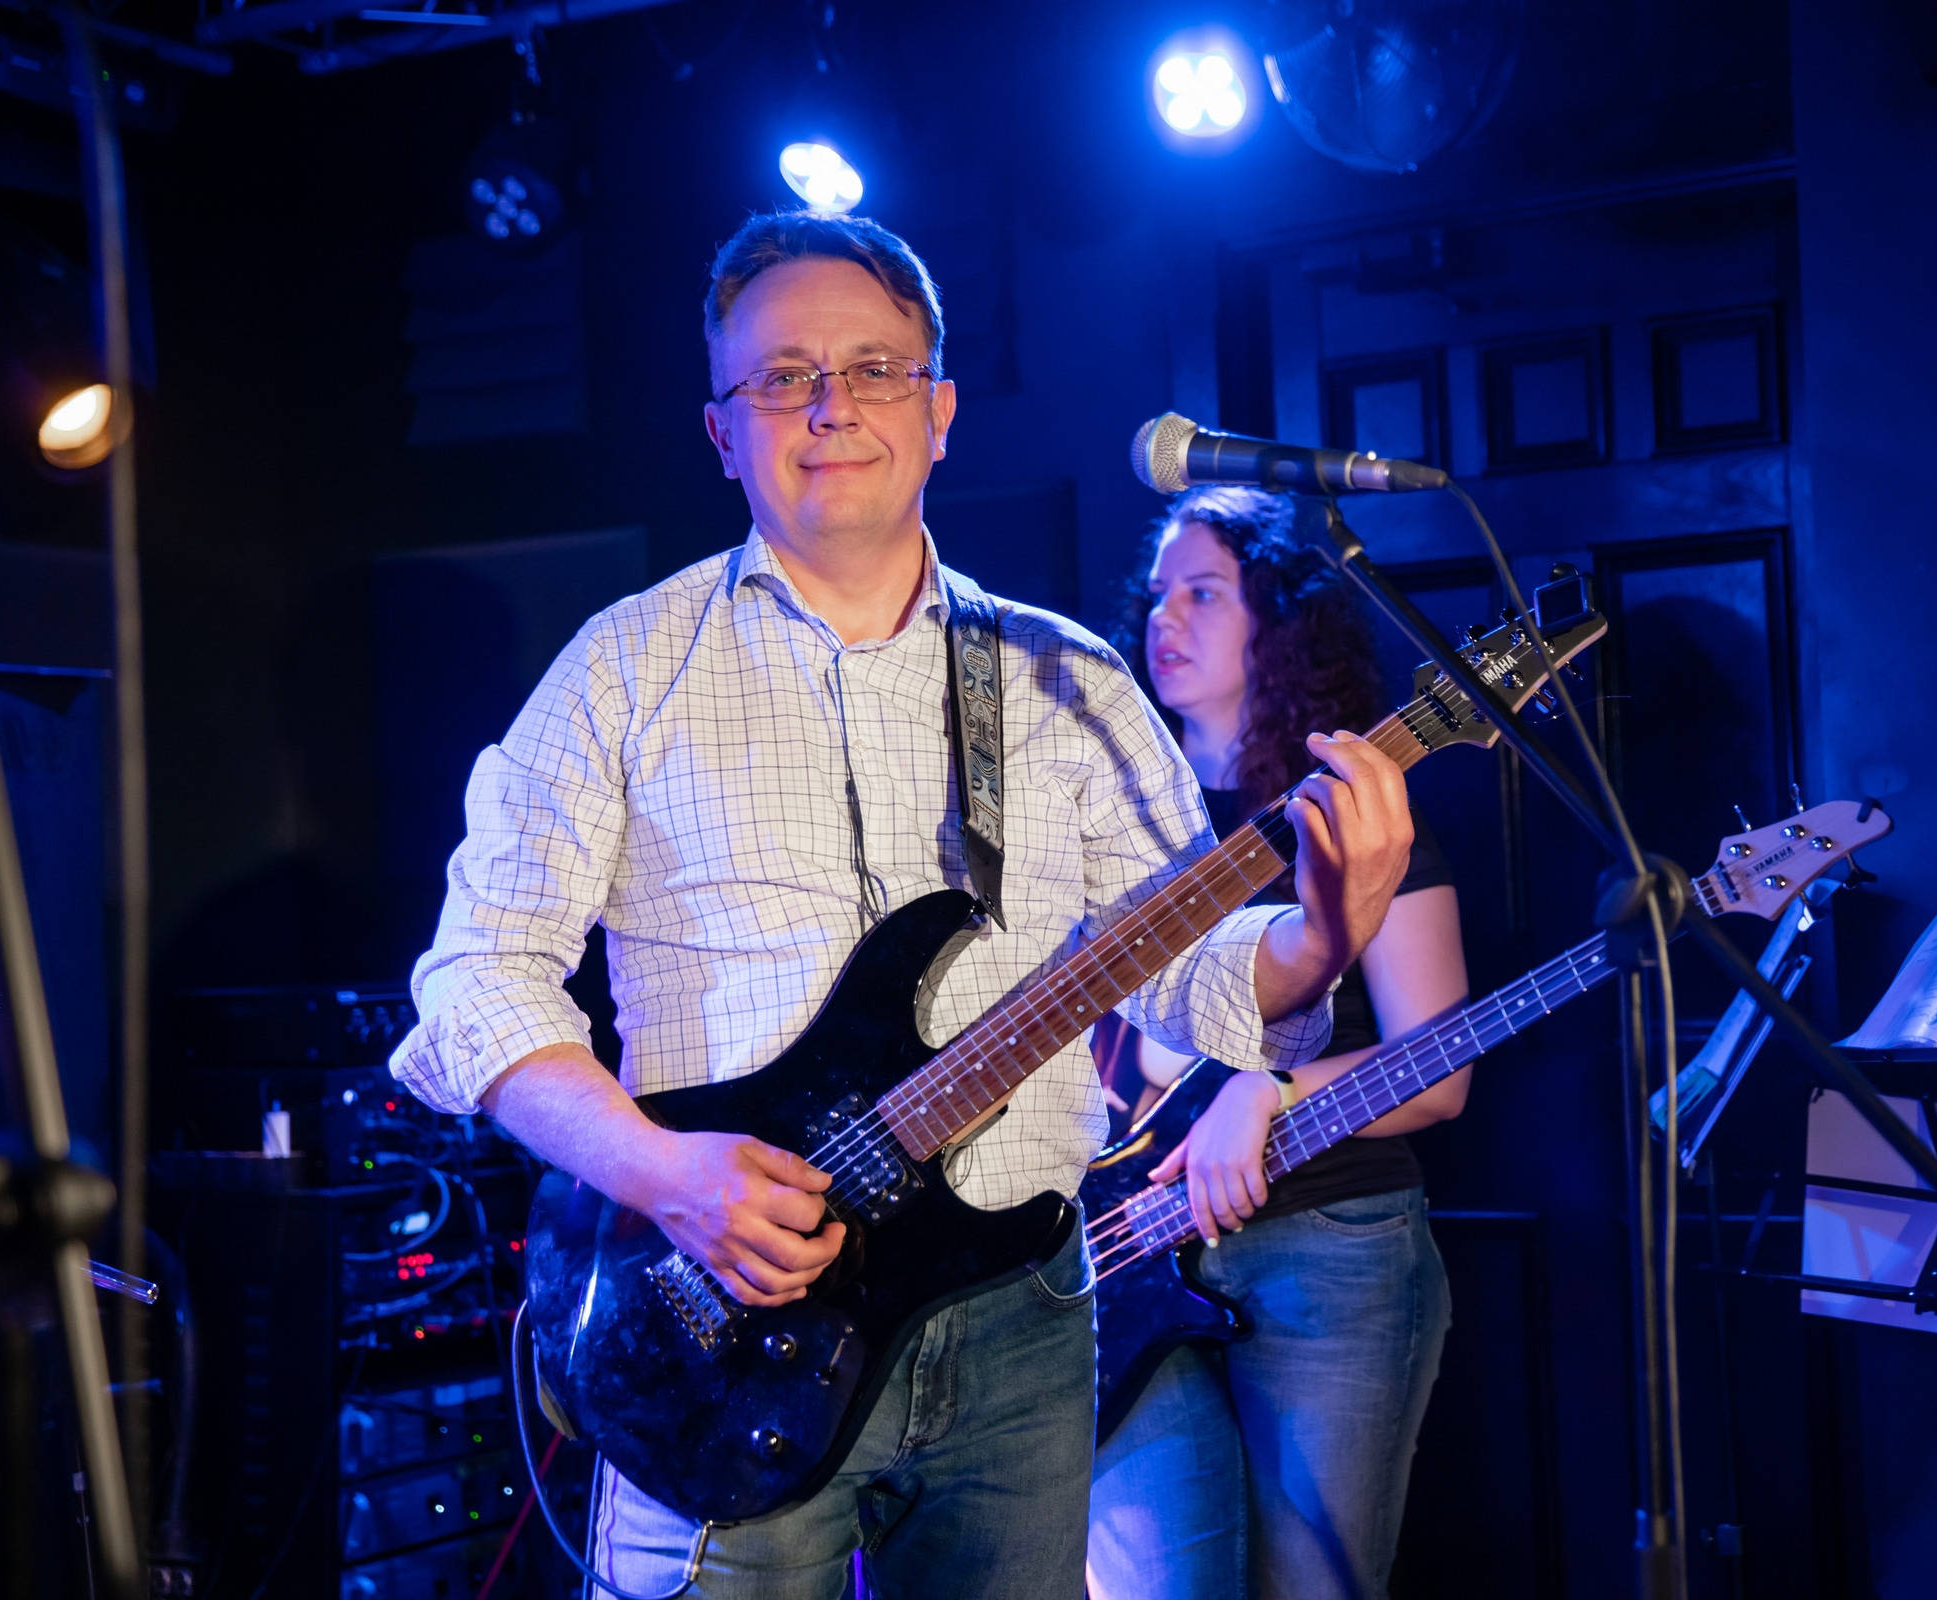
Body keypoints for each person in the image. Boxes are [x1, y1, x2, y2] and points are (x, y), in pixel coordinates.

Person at [388, 212, 1416, 1600]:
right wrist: (659, 1171)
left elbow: (1193, 976)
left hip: (1018, 1315)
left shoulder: (1072, 685)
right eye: (781, 377)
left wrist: (1323, 937)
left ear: (937, 413)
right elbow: (472, 982)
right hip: (714, 1312)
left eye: (875, 369)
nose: (829, 406)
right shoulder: (623, 670)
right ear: (721, 430)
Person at [1086, 487, 1473, 1600]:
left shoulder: (1350, 819)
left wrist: (1270, 1089)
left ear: (1280, 619)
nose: (1166, 616)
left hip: (1328, 1250)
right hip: (1135, 1255)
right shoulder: (1115, 826)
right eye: (1157, 594)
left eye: (1204, 591)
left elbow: (1441, 1069)